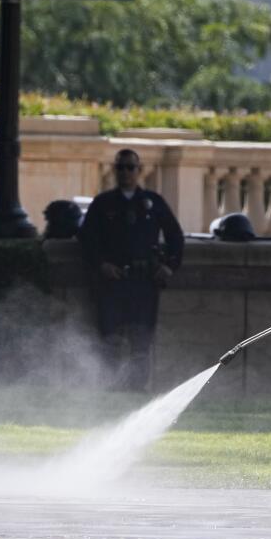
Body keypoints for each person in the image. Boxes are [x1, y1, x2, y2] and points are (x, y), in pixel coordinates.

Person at [78, 149, 184, 392]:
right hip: (113, 282)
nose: (125, 172)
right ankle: (110, 386)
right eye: (121, 167)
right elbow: (87, 240)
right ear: (115, 170)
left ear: (139, 170)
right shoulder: (103, 204)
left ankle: (137, 388)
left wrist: (169, 266)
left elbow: (175, 236)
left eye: (130, 167)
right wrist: (101, 265)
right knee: (110, 338)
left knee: (141, 340)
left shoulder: (153, 202)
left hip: (144, 283)